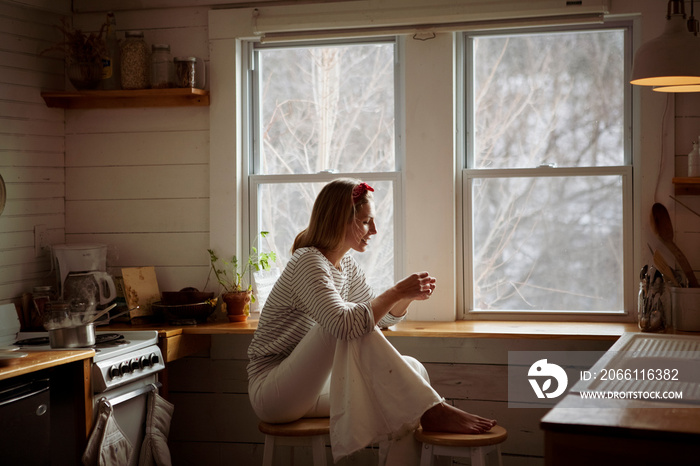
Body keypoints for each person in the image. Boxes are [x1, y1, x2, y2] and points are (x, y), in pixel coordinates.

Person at [247, 178, 496, 464]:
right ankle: (434, 408)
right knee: (340, 324)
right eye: (366, 222)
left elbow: (379, 319)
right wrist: (395, 291)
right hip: (275, 393)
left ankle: (425, 412)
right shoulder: (307, 261)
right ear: (340, 220)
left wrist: (405, 297)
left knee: (412, 373)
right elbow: (344, 324)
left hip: (315, 389)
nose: (374, 230)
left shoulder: (346, 265)